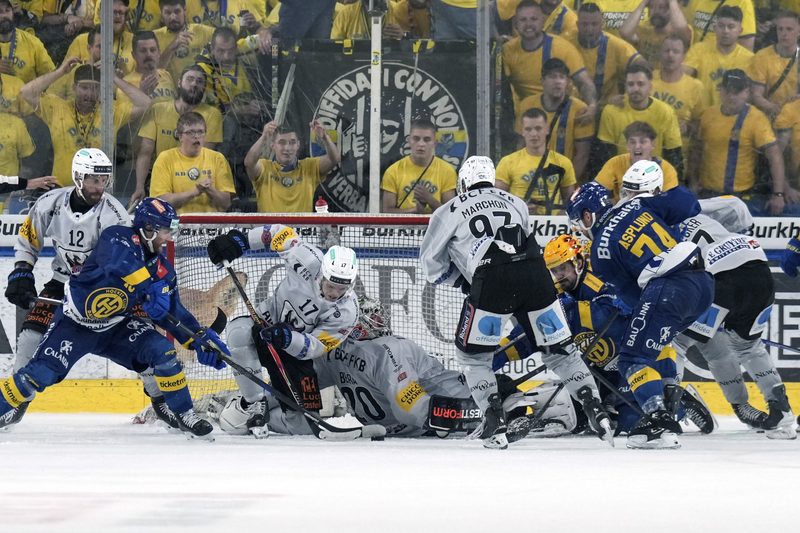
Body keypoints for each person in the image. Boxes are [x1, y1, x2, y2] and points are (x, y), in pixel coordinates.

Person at [420, 155, 612, 449]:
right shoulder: (515, 202)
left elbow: (431, 266)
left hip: (492, 279)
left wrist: (464, 281)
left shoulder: (447, 210)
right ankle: (594, 406)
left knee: (474, 358)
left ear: (462, 183)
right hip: (536, 273)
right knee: (561, 352)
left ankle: (494, 418)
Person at [0, 197, 226, 438]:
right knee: (38, 375)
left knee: (163, 351)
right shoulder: (117, 236)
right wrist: (147, 286)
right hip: (74, 326)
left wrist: (197, 338)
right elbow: (119, 262)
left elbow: (174, 312)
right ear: (147, 229)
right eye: (165, 230)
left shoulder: (163, 271)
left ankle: (184, 413)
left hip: (116, 327)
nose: (169, 237)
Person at [0, 149, 175, 430]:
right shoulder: (50, 203)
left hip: (106, 289)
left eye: (103, 181)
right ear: (78, 177)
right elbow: (29, 237)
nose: (99, 187)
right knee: (31, 335)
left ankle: (160, 398)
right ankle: (16, 402)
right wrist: (22, 272)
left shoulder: (114, 214)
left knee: (143, 340)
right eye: (93, 180)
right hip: (62, 283)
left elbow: (125, 258)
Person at [493, 234, 716, 436]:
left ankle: (678, 397)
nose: (558, 276)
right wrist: (495, 356)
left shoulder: (602, 280)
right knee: (593, 419)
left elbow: (605, 317)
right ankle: (653, 400)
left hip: (638, 360)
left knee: (635, 422)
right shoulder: (561, 294)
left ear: (578, 263)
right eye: (554, 270)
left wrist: (571, 311)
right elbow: (527, 335)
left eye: (562, 268)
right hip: (601, 367)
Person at [567, 175, 715, 449]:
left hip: (669, 289)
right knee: (654, 344)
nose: (579, 229)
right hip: (704, 283)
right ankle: (670, 398)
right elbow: (687, 203)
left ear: (588, 215)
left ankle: (658, 420)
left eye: (578, 222)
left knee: (632, 358)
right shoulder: (636, 203)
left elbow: (635, 299)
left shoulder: (599, 253)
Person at [205, 223, 359, 438]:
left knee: (302, 427)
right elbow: (276, 232)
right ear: (322, 274)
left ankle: (259, 412)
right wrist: (240, 241)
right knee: (237, 332)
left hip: (295, 355)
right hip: (263, 325)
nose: (334, 293)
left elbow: (317, 346)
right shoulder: (306, 258)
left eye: (341, 289)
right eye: (331, 285)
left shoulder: (347, 312)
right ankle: (253, 403)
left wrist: (288, 339)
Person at [671, 194, 796, 439]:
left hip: (722, 281)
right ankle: (782, 411)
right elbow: (737, 206)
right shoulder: (696, 209)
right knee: (748, 347)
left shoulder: (660, 227)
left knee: (677, 342)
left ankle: (666, 408)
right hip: (758, 267)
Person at [19, 59, 151, 187]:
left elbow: (145, 103)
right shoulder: (57, 107)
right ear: (74, 87)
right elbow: (25, 92)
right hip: (62, 188)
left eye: (95, 88)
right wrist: (60, 72)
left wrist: (114, 78)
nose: (89, 93)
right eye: (84, 88)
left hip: (98, 190)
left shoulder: (110, 112)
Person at [689, 69, 792, 216]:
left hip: (741, 197)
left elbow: (774, 157)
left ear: (747, 92)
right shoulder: (708, 115)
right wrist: (693, 180)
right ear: (721, 90)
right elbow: (696, 151)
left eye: (737, 92)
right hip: (708, 195)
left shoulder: (757, 119)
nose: (731, 96)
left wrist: (778, 194)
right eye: (728, 91)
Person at [131, 65, 223, 206]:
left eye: (200, 81)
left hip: (195, 179)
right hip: (161, 179)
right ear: (179, 82)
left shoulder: (212, 115)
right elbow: (145, 151)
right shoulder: (158, 109)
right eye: (190, 79)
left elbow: (206, 154)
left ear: (205, 87)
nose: (194, 84)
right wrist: (139, 186)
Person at [503, 1, 597, 125]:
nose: (528, 24)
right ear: (515, 23)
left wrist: (592, 105)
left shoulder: (562, 48)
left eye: (533, 19)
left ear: (543, 21)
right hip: (529, 117)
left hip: (562, 114)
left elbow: (584, 82)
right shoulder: (507, 51)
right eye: (523, 20)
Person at [596, 62, 683, 179]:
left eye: (641, 84)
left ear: (650, 87)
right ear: (625, 87)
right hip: (621, 180)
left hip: (654, 179)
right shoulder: (611, 111)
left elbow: (674, 154)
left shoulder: (665, 112)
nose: (635, 88)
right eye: (631, 84)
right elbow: (604, 155)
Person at [514, 58, 594, 181]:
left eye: (561, 77)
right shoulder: (527, 104)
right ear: (542, 81)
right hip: (530, 177)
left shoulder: (580, 109)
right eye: (552, 77)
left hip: (564, 179)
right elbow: (520, 145)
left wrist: (566, 185)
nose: (557, 81)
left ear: (567, 82)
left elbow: (582, 155)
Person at [245, 119, 340, 213]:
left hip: (302, 228)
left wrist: (325, 137)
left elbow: (334, 159)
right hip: (269, 228)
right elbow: (249, 163)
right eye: (282, 142)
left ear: (298, 145)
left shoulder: (309, 167)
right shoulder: (264, 167)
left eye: (292, 142)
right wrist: (264, 137)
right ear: (273, 145)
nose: (287, 148)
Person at [149, 112, 235, 213]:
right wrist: (195, 192)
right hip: (176, 225)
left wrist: (209, 190)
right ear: (180, 136)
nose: (196, 136)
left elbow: (226, 203)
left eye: (200, 132)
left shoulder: (217, 158)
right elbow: (159, 203)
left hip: (210, 224)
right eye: (190, 132)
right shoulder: (165, 159)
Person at [496, 107, 577, 215]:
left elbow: (571, 200)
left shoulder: (563, 163)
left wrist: (562, 215)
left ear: (547, 129)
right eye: (528, 129)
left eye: (538, 128)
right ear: (522, 131)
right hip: (520, 224)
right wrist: (519, 208)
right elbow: (497, 200)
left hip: (554, 227)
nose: (534, 134)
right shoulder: (508, 162)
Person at [568, 2, 644, 106]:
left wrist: (629, 91)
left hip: (607, 108)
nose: (589, 29)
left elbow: (641, 65)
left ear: (602, 24)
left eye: (594, 24)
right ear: (577, 24)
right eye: (584, 24)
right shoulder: (566, 43)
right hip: (572, 108)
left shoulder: (615, 44)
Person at [380, 117, 457, 214]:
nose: (421, 144)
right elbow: (387, 212)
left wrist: (429, 199)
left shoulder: (447, 171)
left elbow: (451, 213)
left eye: (427, 139)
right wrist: (415, 210)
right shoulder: (393, 171)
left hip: (436, 228)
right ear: (409, 140)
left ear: (435, 143)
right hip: (403, 228)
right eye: (416, 139)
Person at [683, 6, 753, 108]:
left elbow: (750, 95)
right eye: (721, 26)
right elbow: (683, 77)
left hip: (733, 117)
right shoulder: (699, 49)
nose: (725, 31)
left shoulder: (749, 59)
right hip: (702, 115)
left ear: (740, 30)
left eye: (731, 27)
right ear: (715, 28)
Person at [652, 34, 706, 161]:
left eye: (675, 51)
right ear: (660, 53)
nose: (670, 55)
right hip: (648, 153)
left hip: (679, 155)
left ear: (683, 56)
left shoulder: (695, 86)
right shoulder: (648, 79)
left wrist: (688, 127)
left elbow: (701, 124)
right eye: (666, 51)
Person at [596, 121, 679, 202]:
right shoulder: (615, 163)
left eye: (643, 142)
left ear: (653, 144)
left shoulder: (667, 170)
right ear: (627, 145)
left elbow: (670, 203)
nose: (637, 146)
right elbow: (597, 190)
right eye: (632, 142)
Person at [749, 10, 800, 119]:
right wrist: (774, 108)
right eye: (780, 29)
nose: (784, 34)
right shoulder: (762, 56)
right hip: (768, 117)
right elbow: (756, 95)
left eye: (789, 29)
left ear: (798, 31)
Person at [64, 0, 135, 77]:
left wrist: (124, 76)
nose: (117, 16)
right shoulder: (81, 40)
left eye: (121, 12)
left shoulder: (135, 42)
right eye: (113, 12)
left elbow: (140, 80)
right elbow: (64, 78)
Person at [619, 0, 692, 69]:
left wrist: (671, 1)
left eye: (662, 7)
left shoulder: (678, 34)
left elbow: (681, 29)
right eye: (652, 7)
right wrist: (643, 4)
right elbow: (625, 33)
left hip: (667, 80)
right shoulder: (644, 30)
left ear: (672, 9)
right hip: (645, 79)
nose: (656, 12)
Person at [154, 0, 216, 82]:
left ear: (185, 11)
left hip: (200, 88)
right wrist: (172, 47)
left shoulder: (203, 32)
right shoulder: (154, 37)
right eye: (167, 13)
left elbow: (227, 42)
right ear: (161, 14)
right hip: (170, 91)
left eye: (177, 11)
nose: (173, 17)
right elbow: (154, 73)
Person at [0, 0, 55, 83]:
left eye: (7, 10)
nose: (4, 15)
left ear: (13, 13)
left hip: (25, 94)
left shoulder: (32, 43)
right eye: (0, 12)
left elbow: (52, 78)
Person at [122, 30, 177, 103]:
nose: (148, 54)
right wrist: (142, 94)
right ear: (134, 55)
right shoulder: (126, 83)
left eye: (153, 50)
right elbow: (125, 114)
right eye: (143, 51)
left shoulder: (166, 75)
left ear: (159, 53)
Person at [684, 0, 756, 50]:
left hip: (725, 63)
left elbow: (746, 45)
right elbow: (686, 31)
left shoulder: (743, 2)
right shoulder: (695, 1)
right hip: (695, 59)